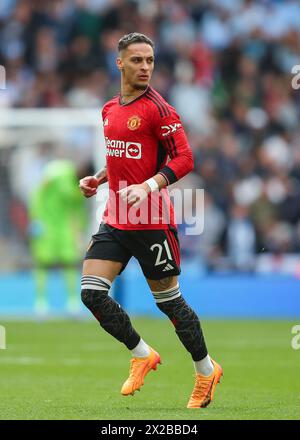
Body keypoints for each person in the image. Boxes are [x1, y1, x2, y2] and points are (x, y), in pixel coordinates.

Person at [79, 32, 222, 409]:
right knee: (91, 294)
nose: (145, 67)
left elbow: (184, 159)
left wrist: (147, 186)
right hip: (116, 217)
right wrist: (98, 177)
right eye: (138, 60)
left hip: (152, 220)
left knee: (169, 302)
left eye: (150, 61)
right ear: (120, 63)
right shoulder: (110, 109)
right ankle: (142, 353)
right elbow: (120, 158)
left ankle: (206, 371)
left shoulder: (160, 109)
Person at [29, 159, 87, 316]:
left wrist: (79, 230)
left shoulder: (83, 186)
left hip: (65, 228)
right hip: (46, 223)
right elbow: (39, 192)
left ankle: (73, 303)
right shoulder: (57, 171)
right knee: (43, 262)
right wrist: (35, 218)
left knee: (69, 262)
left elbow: (78, 210)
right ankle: (40, 303)